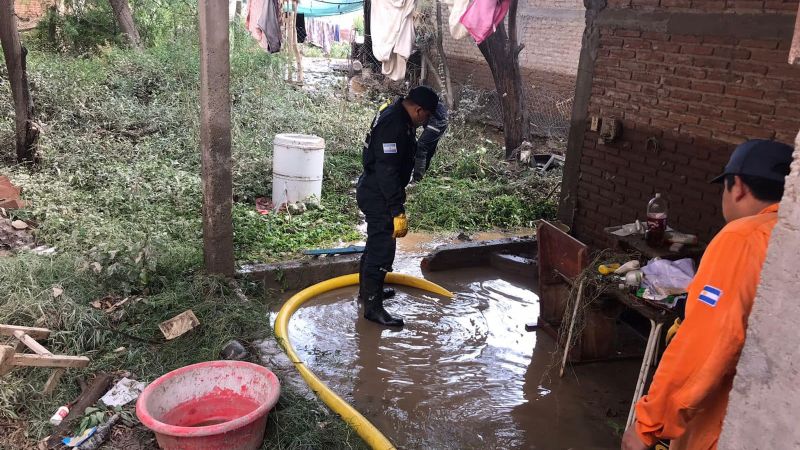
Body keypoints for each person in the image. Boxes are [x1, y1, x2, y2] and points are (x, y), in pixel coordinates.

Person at [621, 139, 794, 450]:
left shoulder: (744, 237)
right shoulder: (787, 233)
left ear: (737, 186)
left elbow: (708, 343)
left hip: (731, 422)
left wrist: (649, 425)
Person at [356, 86, 439, 327]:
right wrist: (396, 209)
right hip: (378, 192)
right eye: (426, 117)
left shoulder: (396, 114)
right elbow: (387, 170)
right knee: (382, 249)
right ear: (418, 110)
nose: (425, 123)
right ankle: (373, 309)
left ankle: (368, 293)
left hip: (375, 188)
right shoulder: (394, 123)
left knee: (375, 244)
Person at [412, 100, 448, 182]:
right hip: (437, 118)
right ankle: (421, 175)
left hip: (437, 120)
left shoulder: (411, 104)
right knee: (427, 148)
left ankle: (417, 179)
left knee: (422, 146)